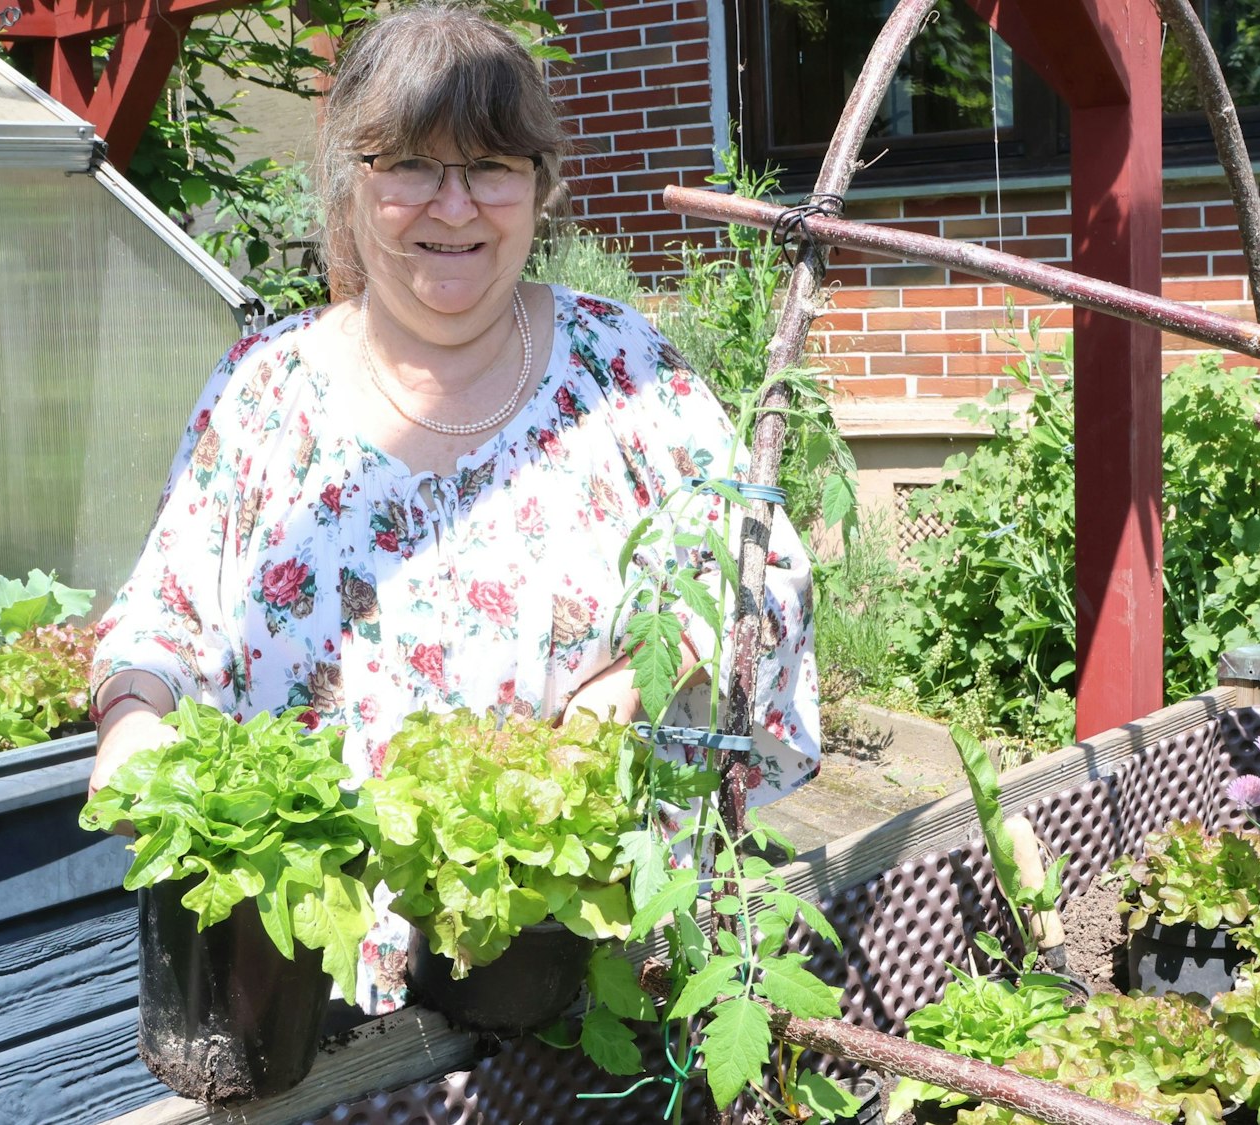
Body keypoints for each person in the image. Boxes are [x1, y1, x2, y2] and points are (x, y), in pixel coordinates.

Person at [85, 2, 820, 1013]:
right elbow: (162, 612)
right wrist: (132, 717)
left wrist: (634, 689)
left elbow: (757, 566)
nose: (453, 207)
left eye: (490, 168)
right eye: (411, 167)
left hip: (587, 964)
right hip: (320, 986)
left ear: (541, 187)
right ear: (350, 185)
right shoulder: (265, 393)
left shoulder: (623, 372)